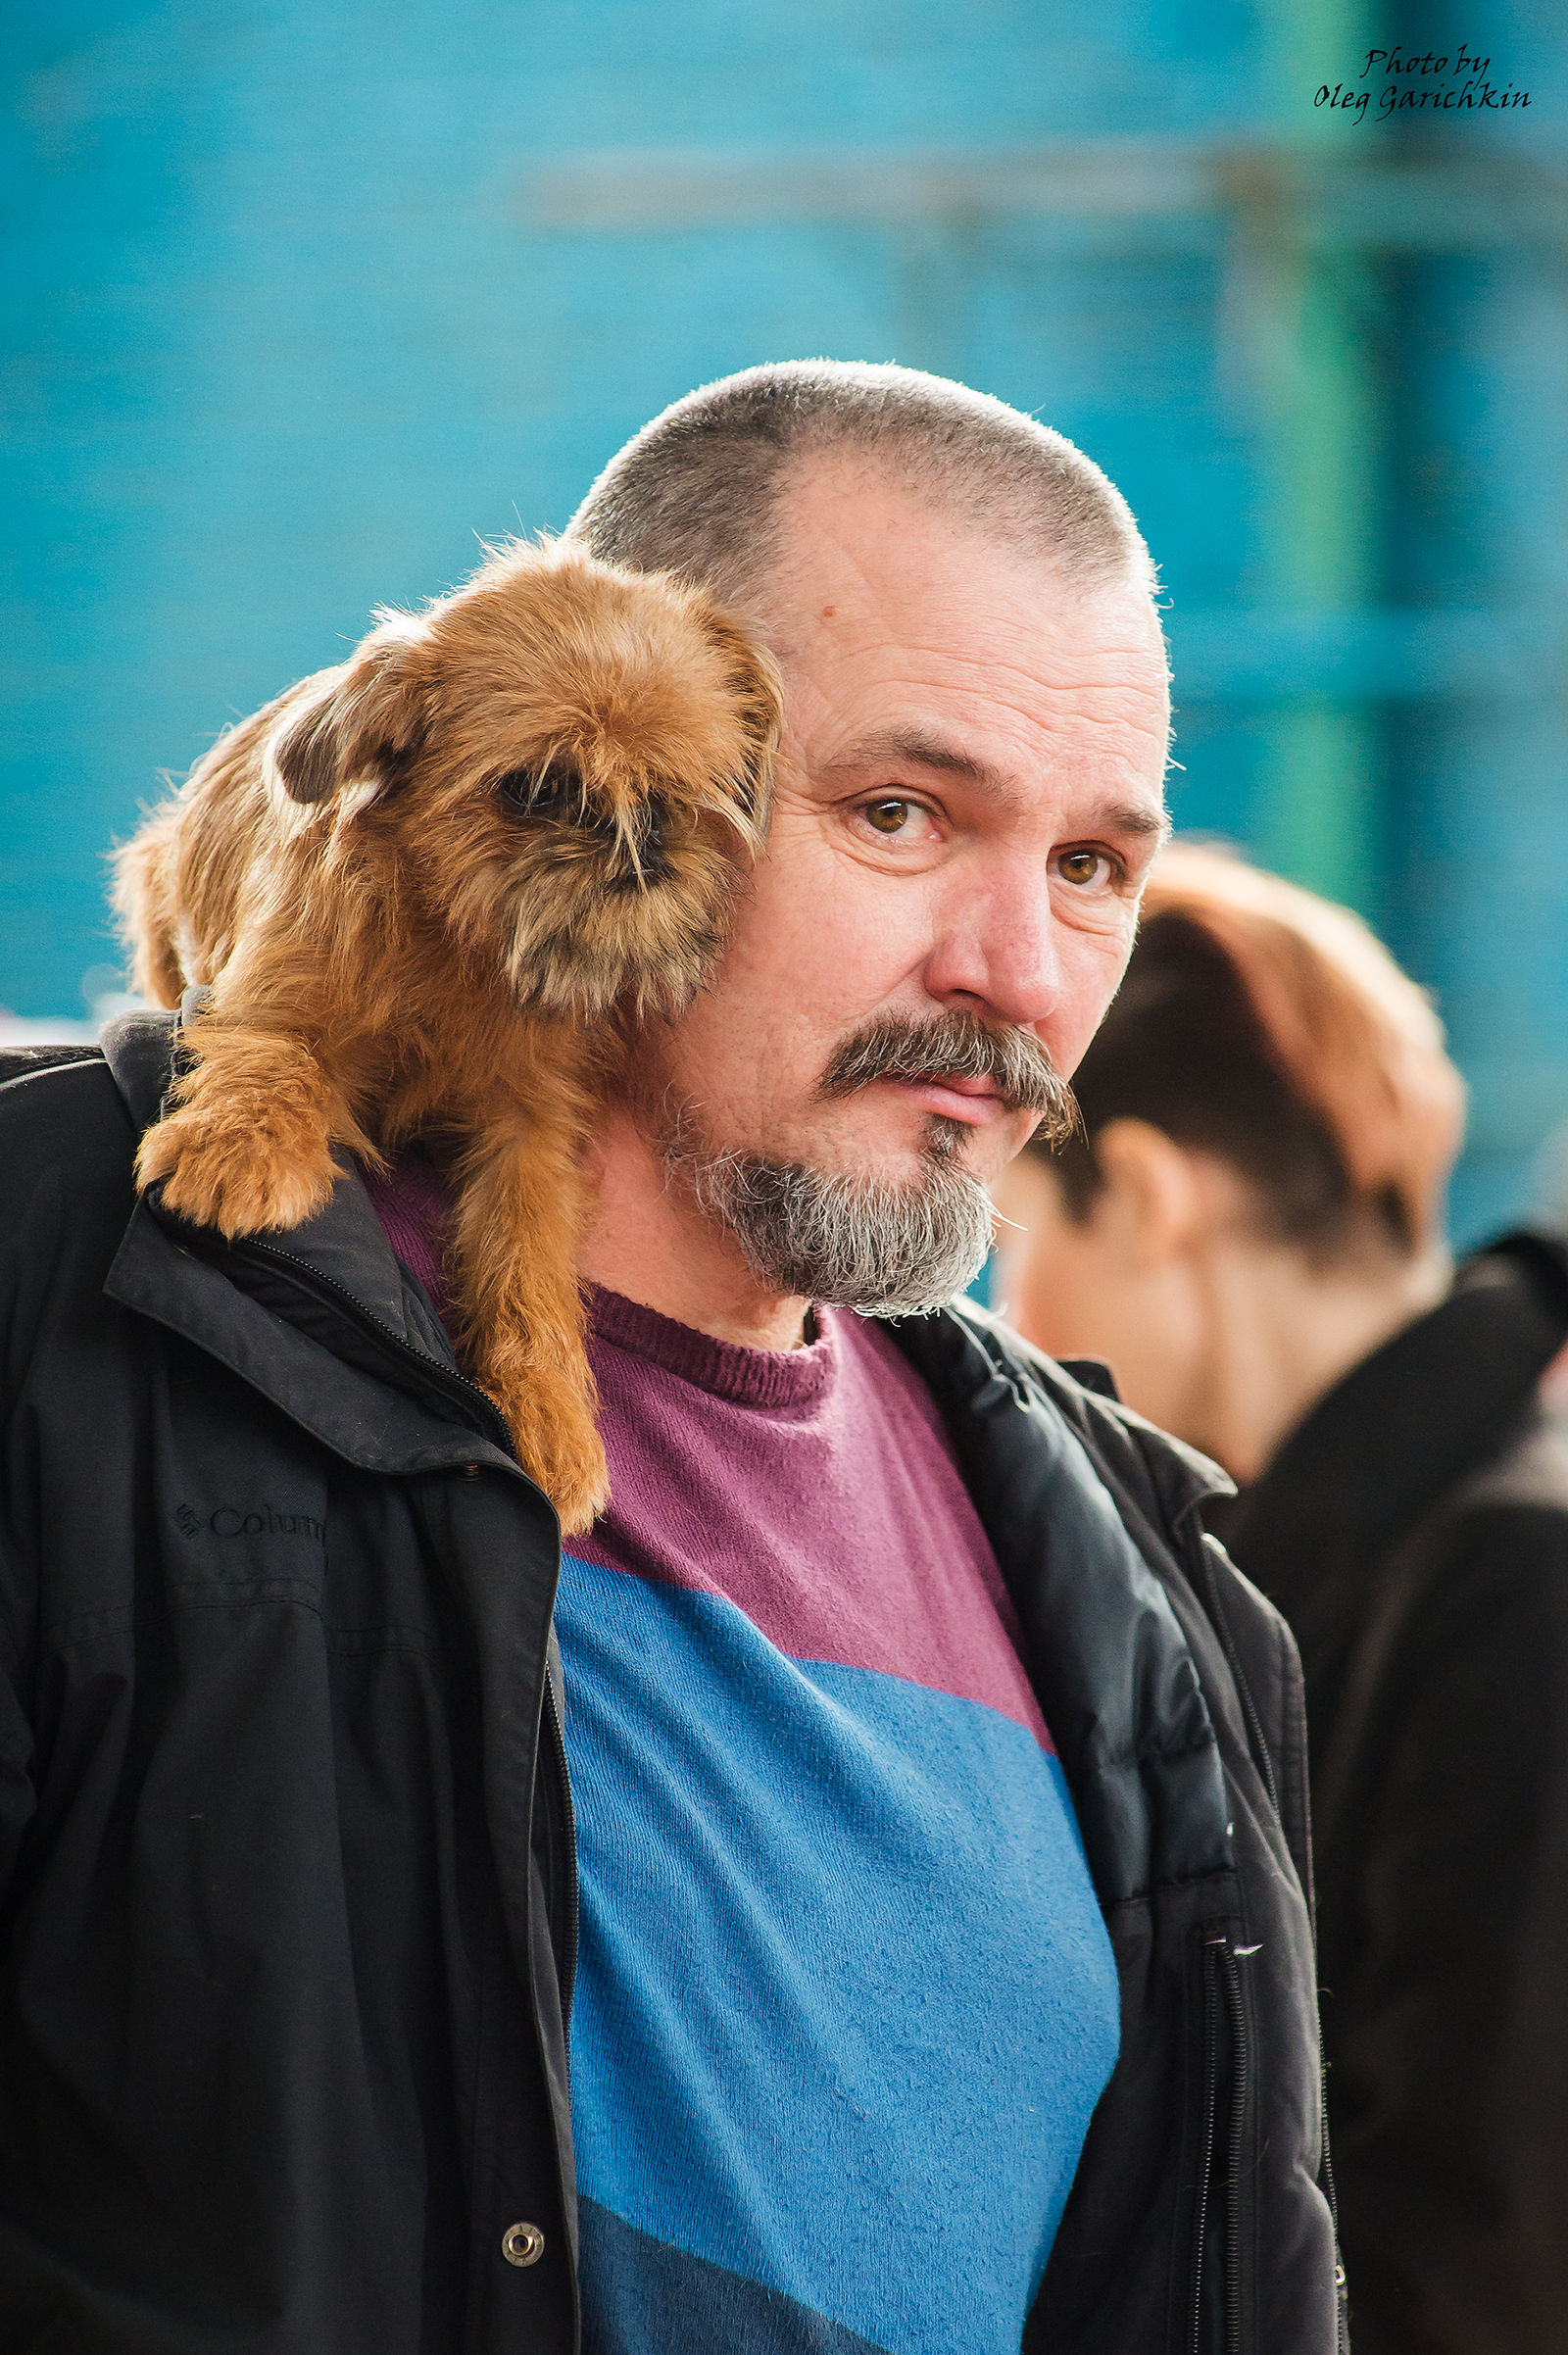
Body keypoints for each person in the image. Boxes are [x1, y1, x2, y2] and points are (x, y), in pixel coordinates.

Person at [0, 365, 1342, 2355]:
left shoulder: (1147, 1597)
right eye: (899, 811)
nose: (1018, 969)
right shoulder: (71, 1304)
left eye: (1090, 866)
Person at [994, 840, 1568, 2354]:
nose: (1008, 1323)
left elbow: (1472, 2263)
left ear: (1143, 1192)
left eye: (1011, 1241)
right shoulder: (1361, 1553)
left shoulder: (1516, 1583)